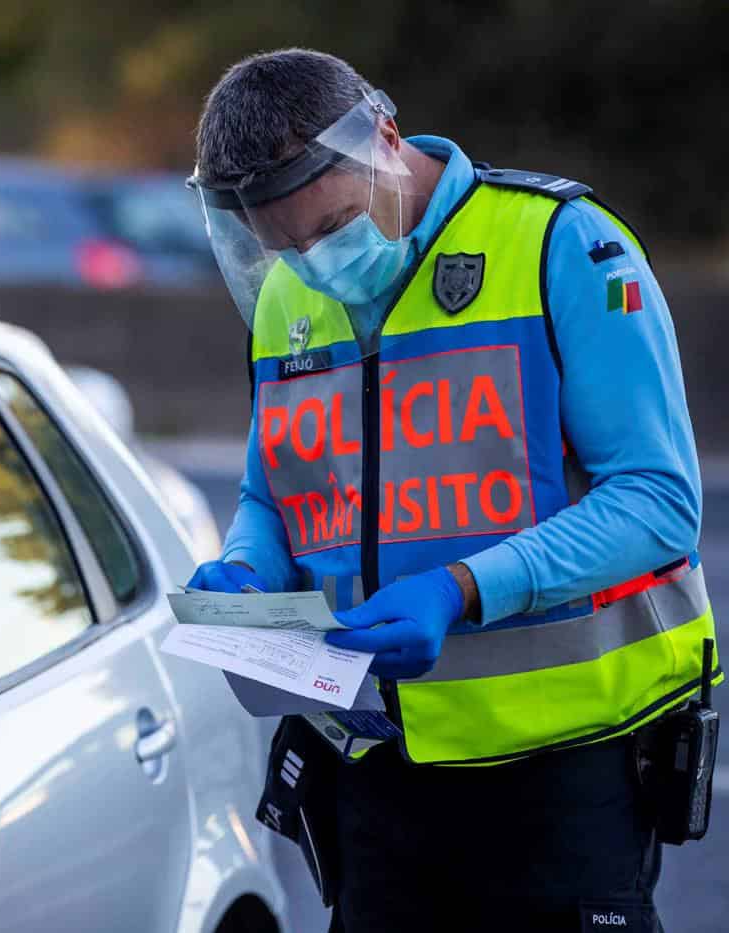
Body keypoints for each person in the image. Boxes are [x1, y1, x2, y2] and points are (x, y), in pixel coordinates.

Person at [185, 49, 718, 931]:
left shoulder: (561, 245)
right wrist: (246, 567)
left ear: (384, 140)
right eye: (284, 246)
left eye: (335, 224)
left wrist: (463, 588)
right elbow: (270, 491)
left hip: (561, 777)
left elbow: (657, 501)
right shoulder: (287, 297)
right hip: (369, 776)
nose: (314, 264)